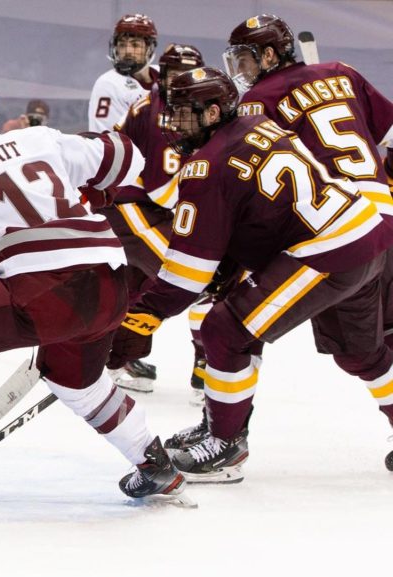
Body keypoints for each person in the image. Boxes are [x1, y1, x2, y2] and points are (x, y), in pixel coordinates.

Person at [0, 77, 189, 509]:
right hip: (112, 281)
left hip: (47, 290)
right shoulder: (39, 138)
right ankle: (154, 463)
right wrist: (93, 194)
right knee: (76, 381)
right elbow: (123, 156)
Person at [111, 67, 393, 483]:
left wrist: (142, 316)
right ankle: (220, 424)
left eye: (184, 114)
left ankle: (225, 443)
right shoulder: (257, 122)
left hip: (328, 253)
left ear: (211, 113)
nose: (172, 125)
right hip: (369, 233)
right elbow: (265, 211)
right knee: (360, 352)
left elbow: (187, 275)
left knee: (224, 329)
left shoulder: (206, 167)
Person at [101, 43, 207, 396]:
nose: (183, 81)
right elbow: (164, 190)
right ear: (164, 75)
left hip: (144, 206)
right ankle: (210, 372)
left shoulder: (177, 104)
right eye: (176, 74)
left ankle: (114, 360)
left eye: (189, 75)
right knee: (196, 277)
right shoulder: (163, 112)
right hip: (130, 204)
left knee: (137, 286)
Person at [225, 14, 393, 217]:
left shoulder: (258, 99)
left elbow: (244, 177)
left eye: (243, 60)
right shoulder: (342, 72)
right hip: (383, 210)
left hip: (330, 218)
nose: (240, 69)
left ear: (268, 55)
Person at [88, 14, 159, 133]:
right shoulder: (109, 83)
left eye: (135, 45)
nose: (128, 51)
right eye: (122, 45)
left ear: (149, 48)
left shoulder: (165, 74)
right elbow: (107, 139)